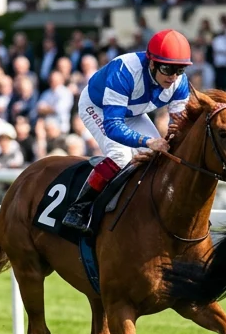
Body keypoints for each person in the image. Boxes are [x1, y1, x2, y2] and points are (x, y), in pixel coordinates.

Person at [59, 29, 192, 234]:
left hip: (133, 111)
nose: (173, 77)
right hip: (99, 107)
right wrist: (147, 141)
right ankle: (78, 208)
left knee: (159, 156)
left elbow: (180, 126)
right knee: (120, 155)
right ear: (152, 62)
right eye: (167, 68)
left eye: (180, 70)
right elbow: (112, 126)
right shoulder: (125, 71)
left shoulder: (180, 83)